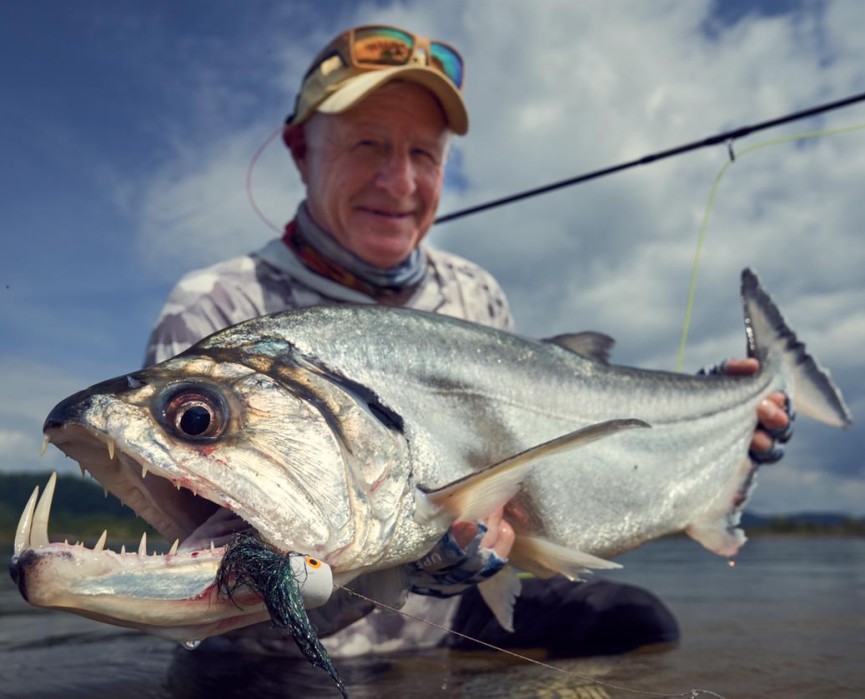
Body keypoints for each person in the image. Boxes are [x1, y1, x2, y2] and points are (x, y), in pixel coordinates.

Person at [145, 24, 792, 659]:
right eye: (366, 144)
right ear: (299, 150)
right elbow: (209, 590)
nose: (398, 182)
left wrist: (717, 426)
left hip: (447, 622)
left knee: (638, 622)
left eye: (423, 154)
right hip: (284, 657)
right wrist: (396, 568)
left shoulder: (473, 291)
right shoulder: (217, 312)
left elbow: (535, 478)